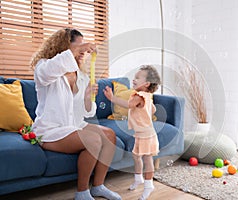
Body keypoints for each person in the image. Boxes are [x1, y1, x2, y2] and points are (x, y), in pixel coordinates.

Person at [30, 28, 122, 200]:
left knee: (110, 135)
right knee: (93, 139)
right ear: (64, 46)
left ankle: (98, 186)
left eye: (84, 47)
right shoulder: (45, 67)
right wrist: (79, 48)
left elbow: (86, 111)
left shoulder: (81, 75)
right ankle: (82, 192)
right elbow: (47, 72)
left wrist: (87, 97)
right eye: (79, 46)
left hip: (73, 125)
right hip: (50, 129)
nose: (84, 51)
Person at [104, 65, 161, 200]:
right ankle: (138, 178)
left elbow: (128, 104)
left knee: (147, 159)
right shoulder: (148, 96)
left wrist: (112, 98)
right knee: (136, 156)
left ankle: (148, 185)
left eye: (137, 78)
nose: (133, 80)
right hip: (144, 133)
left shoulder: (139, 95)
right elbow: (153, 110)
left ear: (146, 83)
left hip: (146, 135)